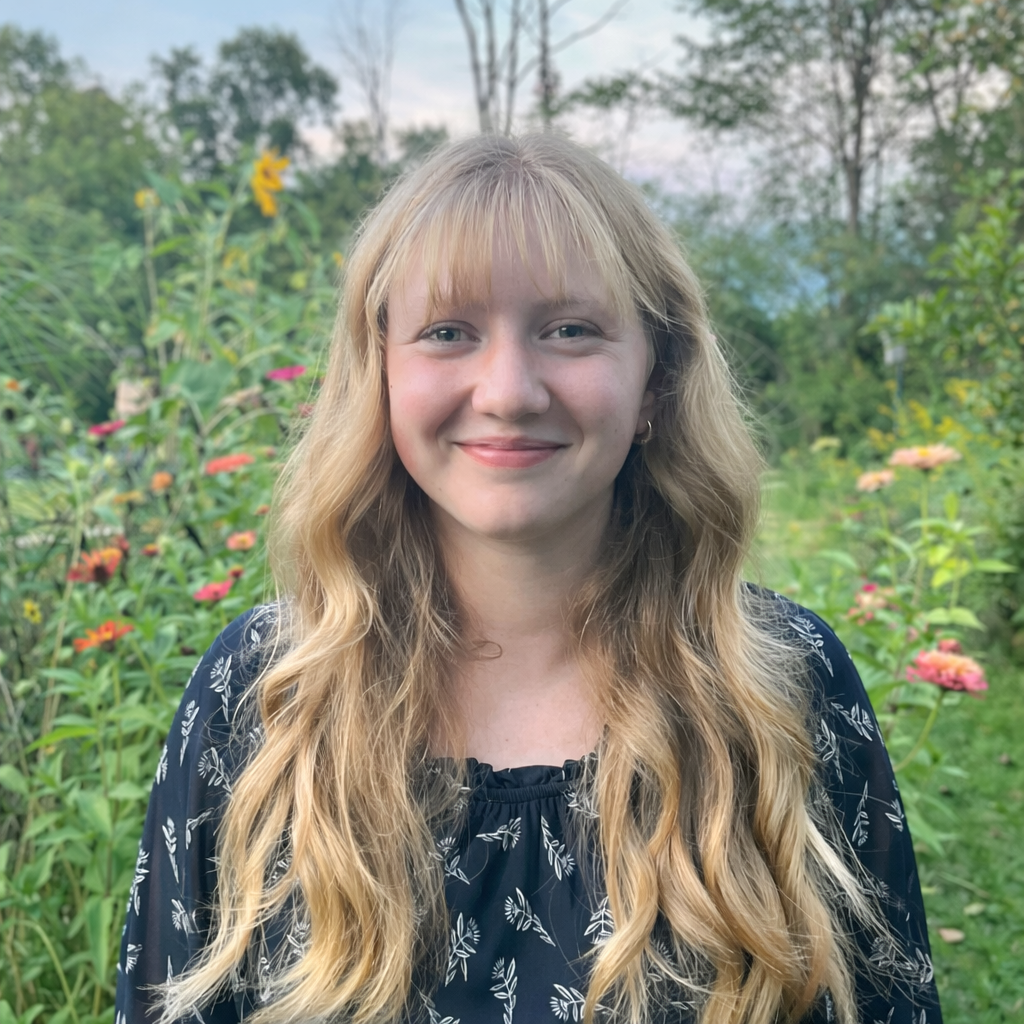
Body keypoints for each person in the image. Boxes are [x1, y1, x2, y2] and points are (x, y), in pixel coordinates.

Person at [115, 133, 942, 1024]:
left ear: (656, 378)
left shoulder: (781, 684)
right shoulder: (263, 696)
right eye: (447, 332)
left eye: (569, 330)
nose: (508, 391)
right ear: (380, 370)